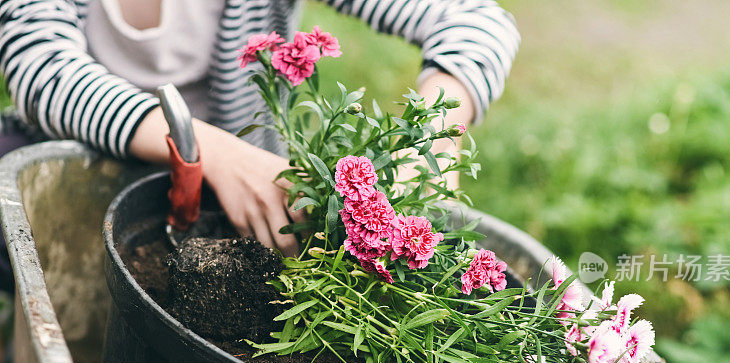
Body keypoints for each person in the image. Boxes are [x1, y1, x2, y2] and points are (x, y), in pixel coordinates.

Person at [0, 0, 519, 254]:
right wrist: (212, 151)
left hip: (236, 206)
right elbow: (40, 67)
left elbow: (476, 21)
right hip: (79, 169)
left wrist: (433, 132)